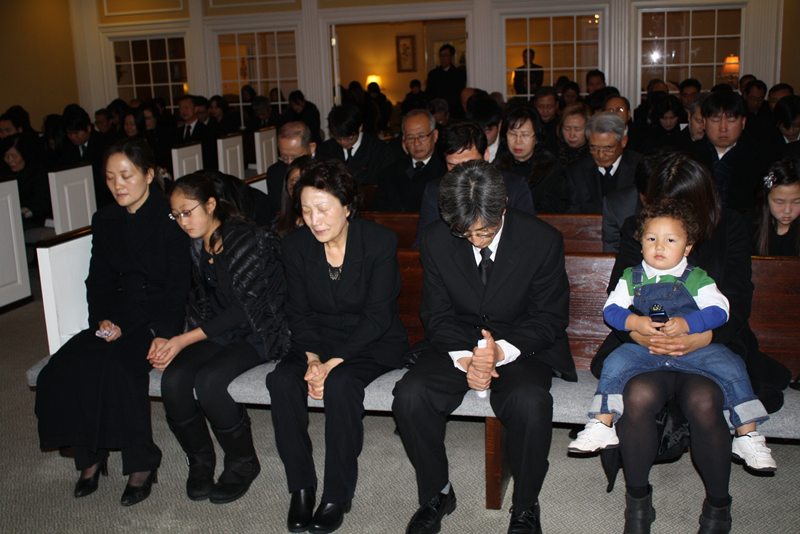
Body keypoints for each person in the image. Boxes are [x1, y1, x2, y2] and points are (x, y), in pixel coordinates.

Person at [590, 152, 790, 534]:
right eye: (663, 203)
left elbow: (738, 298)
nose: (671, 214)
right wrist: (640, 332)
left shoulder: (730, 225)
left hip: (712, 343)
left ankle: (718, 506)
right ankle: (637, 504)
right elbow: (619, 294)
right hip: (648, 344)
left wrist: (703, 337)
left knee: (704, 399)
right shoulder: (641, 227)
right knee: (638, 395)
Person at [394, 160, 574, 534]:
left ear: (504, 205)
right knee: (410, 395)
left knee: (530, 402)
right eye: (466, 233)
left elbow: (549, 318)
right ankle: (437, 493)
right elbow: (436, 313)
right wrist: (467, 360)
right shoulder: (436, 238)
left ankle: (525, 505)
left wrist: (498, 352)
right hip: (457, 342)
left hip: (521, 344)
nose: (476, 240)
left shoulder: (541, 240)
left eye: (485, 232)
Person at [35, 138, 191, 506]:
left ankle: (142, 462)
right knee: (62, 368)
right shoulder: (105, 219)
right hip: (115, 315)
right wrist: (103, 319)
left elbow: (179, 286)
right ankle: (90, 455)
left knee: (120, 368)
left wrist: (163, 333)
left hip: (157, 316)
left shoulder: (170, 216)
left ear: (148, 175)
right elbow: (98, 280)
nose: (117, 185)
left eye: (126, 175)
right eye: (109, 177)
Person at [569, 199, 774, 472]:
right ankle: (602, 423)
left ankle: (747, 434)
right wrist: (635, 322)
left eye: (670, 240)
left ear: (687, 247)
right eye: (651, 239)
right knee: (615, 362)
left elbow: (720, 310)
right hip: (648, 348)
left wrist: (689, 324)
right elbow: (611, 310)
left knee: (732, 365)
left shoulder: (696, 277)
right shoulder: (632, 277)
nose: (659, 247)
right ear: (641, 243)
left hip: (693, 347)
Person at [266, 160, 408, 534]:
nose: (315, 220)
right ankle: (301, 487)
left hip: (371, 342)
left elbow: (378, 316)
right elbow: (297, 311)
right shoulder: (295, 246)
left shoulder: (378, 242)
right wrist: (313, 358)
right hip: (316, 341)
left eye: (323, 208)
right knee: (282, 380)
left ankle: (336, 495)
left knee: (342, 384)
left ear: (347, 206)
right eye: (306, 210)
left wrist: (330, 365)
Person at [148, 171, 289, 504]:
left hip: (258, 330)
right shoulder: (196, 244)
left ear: (211, 204)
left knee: (211, 381)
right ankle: (200, 460)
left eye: (188, 212)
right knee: (174, 380)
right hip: (219, 330)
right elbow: (193, 300)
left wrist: (184, 340)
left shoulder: (246, 239)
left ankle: (242, 462)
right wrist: (168, 338)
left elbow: (245, 309)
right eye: (176, 215)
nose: (182, 221)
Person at [416, 121, 535, 239]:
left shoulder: (514, 187)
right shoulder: (434, 191)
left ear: (486, 155)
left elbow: (527, 235)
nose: (462, 172)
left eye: (469, 164)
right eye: (453, 166)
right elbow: (425, 240)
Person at [495, 105, 566, 213]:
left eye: (525, 135)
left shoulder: (551, 168)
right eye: (513, 134)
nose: (518, 141)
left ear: (536, 138)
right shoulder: (498, 167)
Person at [566, 112, 642, 213]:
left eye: (608, 148)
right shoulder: (577, 171)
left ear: (623, 141)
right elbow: (573, 213)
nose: (600, 155)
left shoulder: (640, 168)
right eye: (594, 148)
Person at [375, 109, 446, 212]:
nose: (416, 143)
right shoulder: (389, 174)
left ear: (435, 136)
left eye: (421, 136)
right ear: (404, 140)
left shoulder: (446, 171)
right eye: (411, 137)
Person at [317, 104, 391, 186]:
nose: (343, 142)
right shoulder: (325, 150)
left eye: (349, 138)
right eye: (338, 138)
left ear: (360, 128)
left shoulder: (379, 151)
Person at [266, 121, 319, 220]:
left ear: (312, 148)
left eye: (295, 158)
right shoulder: (274, 173)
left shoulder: (325, 170)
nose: (290, 163)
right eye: (284, 157)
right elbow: (276, 212)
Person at [753, 158, 800, 256]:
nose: (787, 210)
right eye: (779, 202)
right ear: (766, 198)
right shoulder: (749, 227)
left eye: (797, 202)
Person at [273, 155, 314, 237]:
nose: (299, 190)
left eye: (304, 183)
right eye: (294, 184)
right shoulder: (279, 222)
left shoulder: (321, 222)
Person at [426, 44, 467, 121]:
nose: (442, 58)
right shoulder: (433, 74)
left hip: (454, 112)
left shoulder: (459, 74)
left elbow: (459, 94)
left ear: (451, 57)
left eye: (445, 55)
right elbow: (429, 94)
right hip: (437, 112)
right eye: (441, 56)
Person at [556, 103, 590, 167]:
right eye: (567, 128)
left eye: (577, 129)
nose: (571, 135)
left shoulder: (594, 155)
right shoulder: (553, 153)